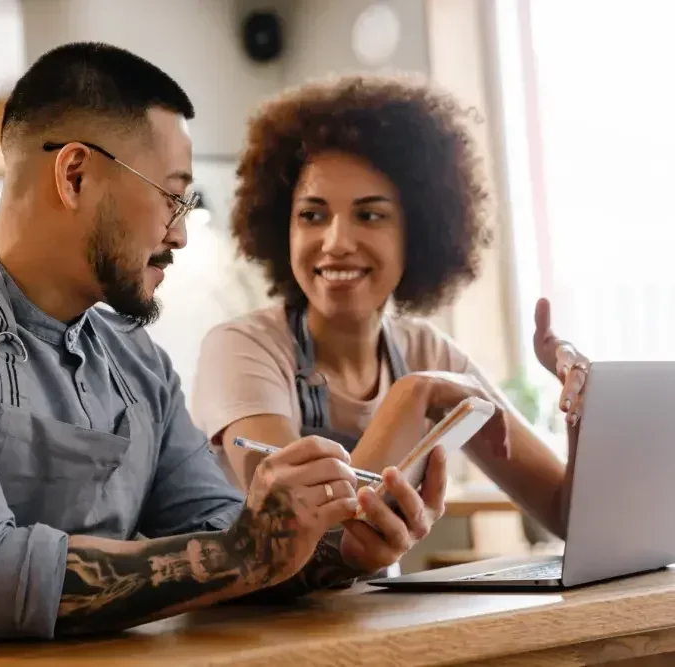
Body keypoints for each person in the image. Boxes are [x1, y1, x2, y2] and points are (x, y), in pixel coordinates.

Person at [0, 45, 477, 661]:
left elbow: (223, 536)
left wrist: (334, 551)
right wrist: (244, 551)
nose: (179, 235)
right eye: (172, 200)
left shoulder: (135, 361)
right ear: (76, 176)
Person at [191, 74, 590, 544]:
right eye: (312, 215)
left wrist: (582, 410)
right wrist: (410, 397)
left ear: (415, 234)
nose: (336, 242)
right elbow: (304, 534)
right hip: (263, 618)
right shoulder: (243, 349)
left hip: (380, 618)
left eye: (370, 215)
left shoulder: (429, 353)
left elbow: (570, 518)